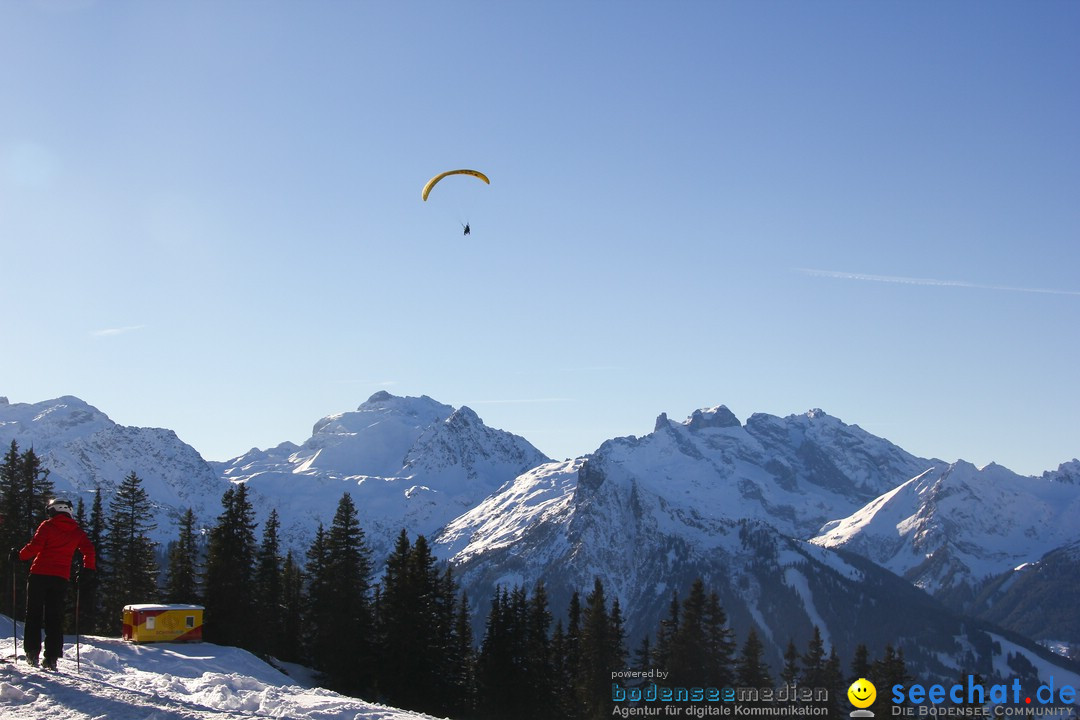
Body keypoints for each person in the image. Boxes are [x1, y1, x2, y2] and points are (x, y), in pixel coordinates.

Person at [17, 497, 96, 670]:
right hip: (60, 578)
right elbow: (89, 550)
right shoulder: (76, 531)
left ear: (55, 510)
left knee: (33, 615)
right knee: (54, 618)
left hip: (39, 575)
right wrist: (87, 569)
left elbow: (35, 546)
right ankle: (51, 658)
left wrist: (19, 556)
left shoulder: (48, 525)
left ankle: (32, 653)